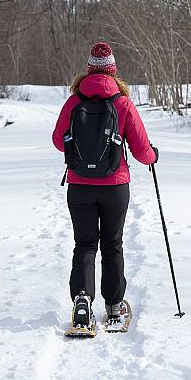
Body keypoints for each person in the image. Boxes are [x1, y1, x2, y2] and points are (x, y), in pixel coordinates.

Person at [52, 42, 158, 329]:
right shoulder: (122, 102)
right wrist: (153, 156)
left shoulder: (73, 102)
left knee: (84, 245)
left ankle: (83, 302)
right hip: (115, 186)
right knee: (112, 244)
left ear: (89, 70)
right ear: (113, 71)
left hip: (79, 186)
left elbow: (56, 139)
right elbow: (140, 149)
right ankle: (113, 307)